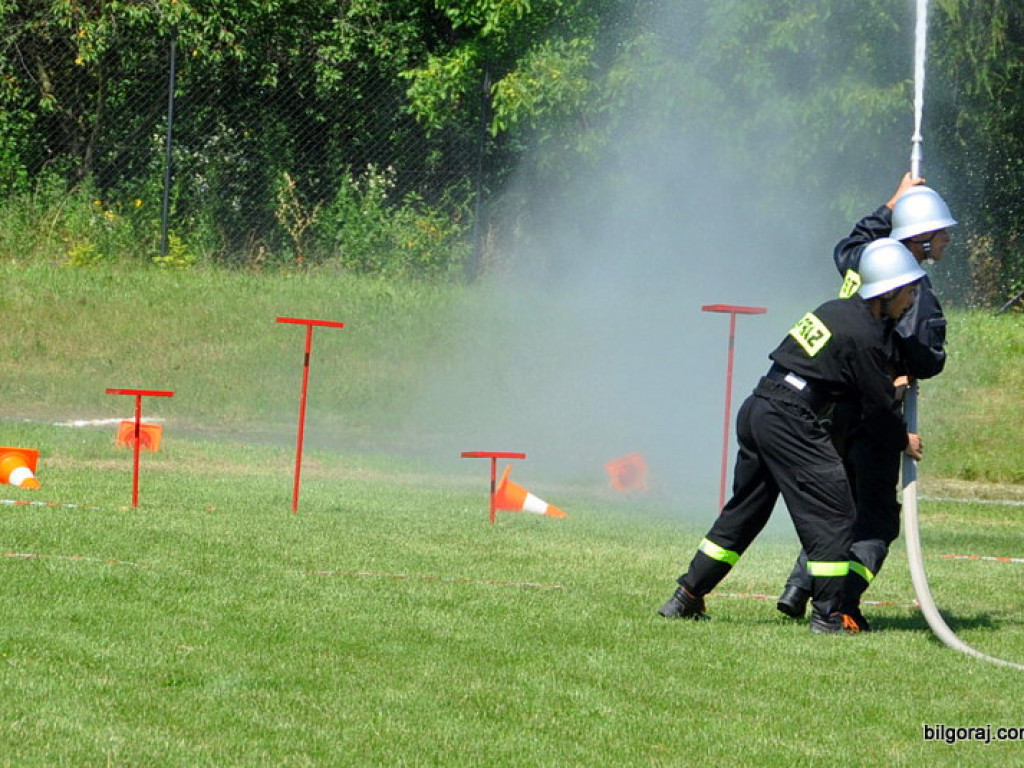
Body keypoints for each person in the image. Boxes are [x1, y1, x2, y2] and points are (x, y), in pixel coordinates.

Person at [658, 239, 925, 633]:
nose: (911, 300)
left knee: (745, 511)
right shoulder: (866, 335)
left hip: (759, 405)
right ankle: (829, 614)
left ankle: (686, 596)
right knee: (835, 512)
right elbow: (877, 409)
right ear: (886, 291)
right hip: (790, 417)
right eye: (908, 291)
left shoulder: (833, 311)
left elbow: (835, 376)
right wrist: (903, 439)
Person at [775, 176, 957, 630]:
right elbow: (925, 357)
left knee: (838, 506)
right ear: (921, 242)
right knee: (874, 519)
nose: (948, 239)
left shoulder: (864, 262)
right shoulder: (914, 292)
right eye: (940, 233)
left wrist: (891, 203)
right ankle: (843, 602)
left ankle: (799, 589)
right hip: (873, 410)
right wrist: (909, 368)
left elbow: (849, 244)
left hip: (834, 409)